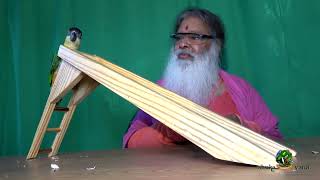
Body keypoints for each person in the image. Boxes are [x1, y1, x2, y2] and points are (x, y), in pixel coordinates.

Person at [123, 8, 282, 148]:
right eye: (179, 37)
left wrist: (241, 127)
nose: (183, 43)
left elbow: (274, 139)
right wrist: (174, 132)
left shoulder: (241, 88)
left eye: (195, 37)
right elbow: (130, 141)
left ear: (216, 45)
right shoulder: (158, 90)